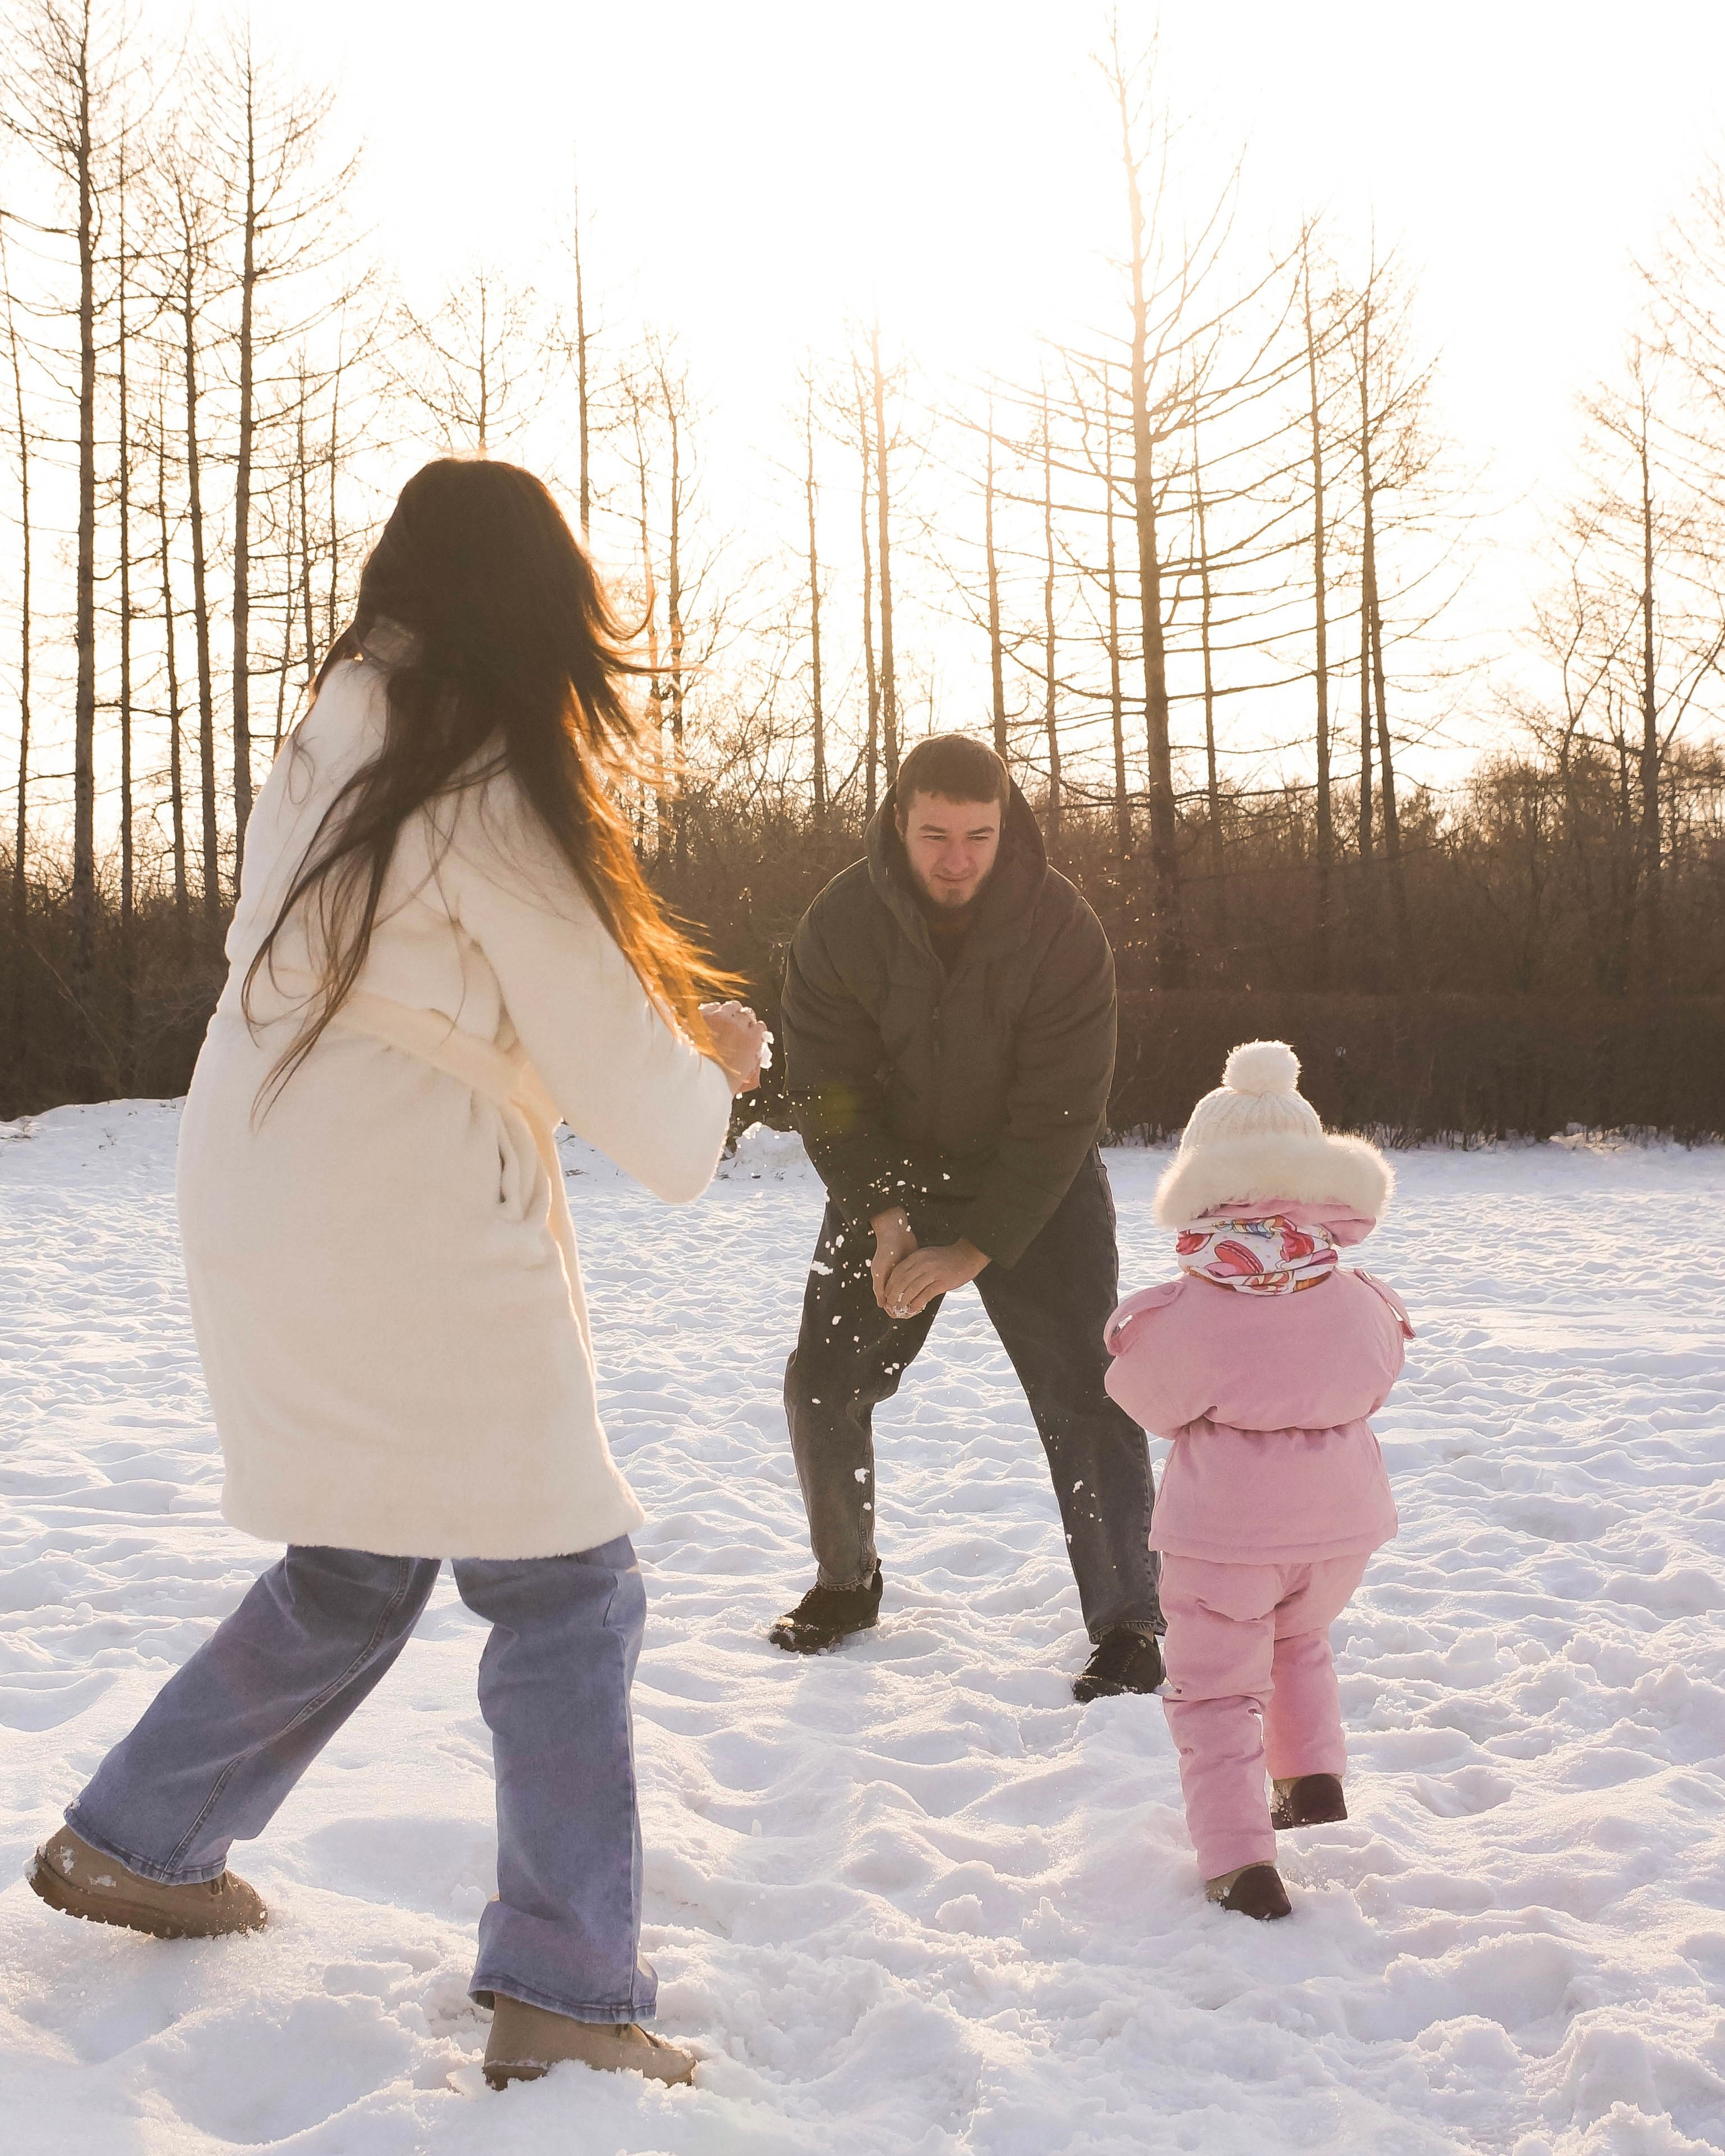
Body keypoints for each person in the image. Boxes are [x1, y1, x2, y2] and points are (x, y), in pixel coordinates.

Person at [26, 459, 768, 2090]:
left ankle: (143, 1836)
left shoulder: (334, 737)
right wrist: (715, 1061)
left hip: (264, 1172)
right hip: (397, 1209)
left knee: (360, 1557)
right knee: (568, 1584)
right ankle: (568, 1985)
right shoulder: (488, 781)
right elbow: (650, 1120)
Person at [772, 732, 1164, 1699]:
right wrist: (885, 1217)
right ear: (897, 822)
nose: (957, 859)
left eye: (978, 836)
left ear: (1006, 827)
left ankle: (1129, 1622)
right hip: (891, 1181)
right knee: (823, 1381)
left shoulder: (1062, 928)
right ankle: (845, 1582)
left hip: (1038, 1182)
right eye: (935, 835)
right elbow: (825, 1089)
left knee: (1088, 1395)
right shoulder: (841, 922)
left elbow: (1062, 1109)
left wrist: (979, 1246)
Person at [1103, 1040, 1412, 1918]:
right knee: (1297, 1641)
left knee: (1216, 1695)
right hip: (1338, 1531)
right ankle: (1313, 1784)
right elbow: (1379, 1379)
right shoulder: (1357, 1298)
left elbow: (1147, 1401)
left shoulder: (1190, 1310)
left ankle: (1242, 1864)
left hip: (1227, 1537)